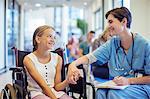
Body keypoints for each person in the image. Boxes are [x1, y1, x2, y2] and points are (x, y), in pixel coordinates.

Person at [68, 7, 150, 99]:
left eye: (111, 22)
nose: (108, 26)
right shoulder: (112, 44)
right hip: (118, 85)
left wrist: (129, 81)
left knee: (114, 94)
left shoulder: (144, 45)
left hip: (141, 87)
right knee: (100, 92)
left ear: (124, 21)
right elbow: (90, 57)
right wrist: (73, 64)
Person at [23, 25, 73, 99]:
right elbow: (43, 85)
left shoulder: (58, 58)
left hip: (54, 92)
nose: (53, 40)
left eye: (54, 37)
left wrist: (67, 81)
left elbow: (57, 87)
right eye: (50, 36)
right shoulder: (28, 59)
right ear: (38, 39)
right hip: (36, 93)